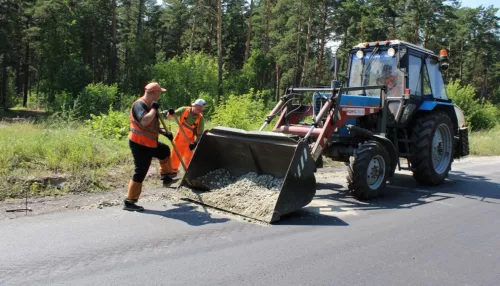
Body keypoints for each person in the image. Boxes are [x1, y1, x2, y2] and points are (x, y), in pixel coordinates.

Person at [124, 82, 178, 212]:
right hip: (139, 144)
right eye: (159, 93)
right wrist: (154, 109)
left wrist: (165, 133)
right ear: (154, 93)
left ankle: (166, 177)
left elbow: (152, 125)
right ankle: (129, 201)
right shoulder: (139, 105)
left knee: (164, 151)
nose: (160, 95)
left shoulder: (150, 106)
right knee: (140, 171)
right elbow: (144, 121)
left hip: (150, 143)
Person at [164, 98, 206, 176]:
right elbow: (170, 116)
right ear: (194, 105)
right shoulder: (184, 110)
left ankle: (189, 176)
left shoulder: (200, 119)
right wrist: (170, 113)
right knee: (174, 159)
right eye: (198, 107)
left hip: (189, 143)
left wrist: (195, 143)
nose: (199, 110)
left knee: (189, 162)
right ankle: (172, 174)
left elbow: (200, 134)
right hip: (178, 140)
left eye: (201, 109)